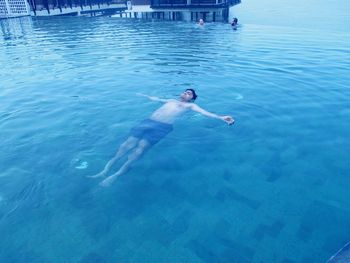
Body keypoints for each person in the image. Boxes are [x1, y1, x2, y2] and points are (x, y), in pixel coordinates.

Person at [89, 89, 235, 187]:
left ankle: (117, 174)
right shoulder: (171, 100)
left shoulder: (190, 107)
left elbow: (206, 113)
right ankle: (104, 170)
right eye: (185, 92)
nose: (186, 93)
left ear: (192, 99)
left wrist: (221, 117)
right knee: (125, 146)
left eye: (189, 94)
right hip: (147, 123)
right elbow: (156, 99)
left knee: (139, 151)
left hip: (161, 128)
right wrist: (143, 96)